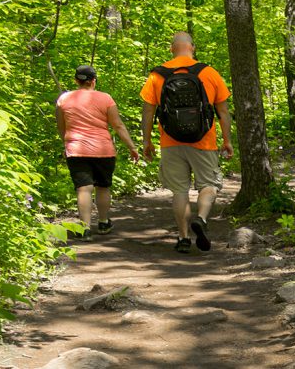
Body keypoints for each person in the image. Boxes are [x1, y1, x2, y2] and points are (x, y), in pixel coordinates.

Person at [140, 32, 234, 254]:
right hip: (204, 140)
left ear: (172, 49)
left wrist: (147, 141)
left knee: (179, 191)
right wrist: (227, 140)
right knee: (209, 185)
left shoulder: (157, 75)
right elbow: (223, 111)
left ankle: (183, 238)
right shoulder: (208, 72)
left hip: (170, 141)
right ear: (193, 47)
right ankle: (200, 218)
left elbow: (148, 111)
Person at [56, 65, 140, 240]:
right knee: (103, 187)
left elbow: (61, 126)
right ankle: (103, 222)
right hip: (103, 149)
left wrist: (66, 143)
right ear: (93, 80)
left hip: (76, 149)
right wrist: (132, 147)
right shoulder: (106, 98)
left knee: (83, 189)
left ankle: (85, 228)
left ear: (76, 80)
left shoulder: (64, 99)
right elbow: (117, 125)